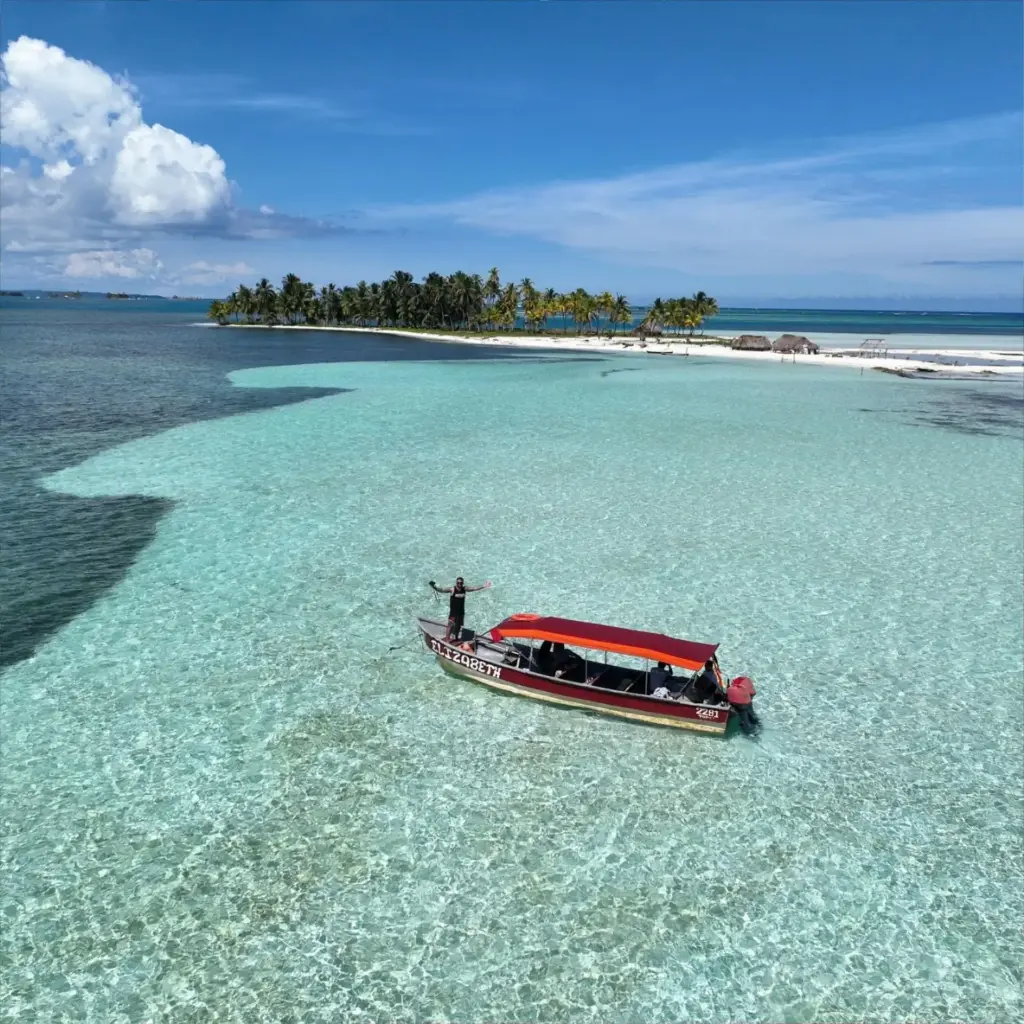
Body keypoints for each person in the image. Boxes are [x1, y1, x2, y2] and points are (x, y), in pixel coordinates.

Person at [429, 576, 492, 642]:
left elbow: (474, 588)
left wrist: (483, 586)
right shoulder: (452, 589)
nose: (459, 584)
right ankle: (447, 639)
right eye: (458, 583)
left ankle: (456, 638)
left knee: (458, 625)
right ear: (456, 583)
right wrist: (434, 587)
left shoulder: (464, 589)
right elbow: (441, 590)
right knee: (450, 625)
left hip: (461, 611)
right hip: (453, 611)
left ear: (462, 583)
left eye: (461, 583)